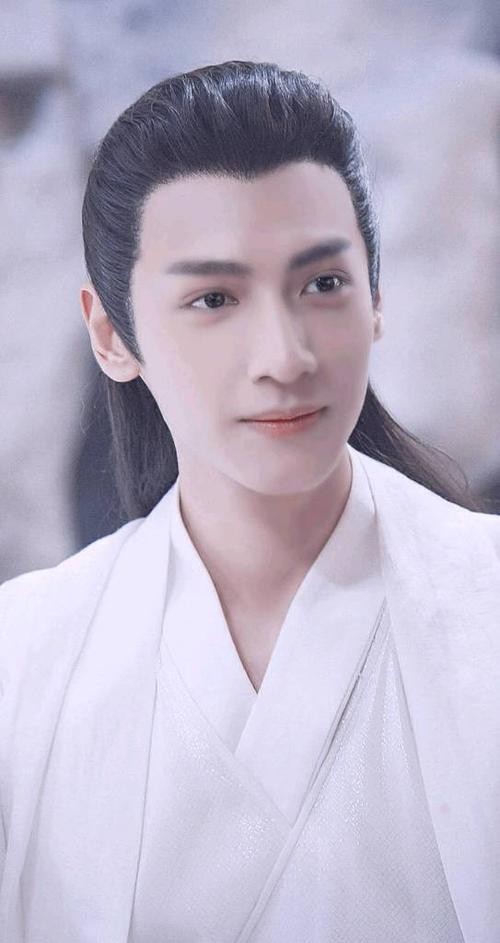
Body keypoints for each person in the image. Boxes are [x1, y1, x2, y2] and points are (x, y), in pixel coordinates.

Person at [0, 60, 498, 943]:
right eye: (214, 298)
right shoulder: (24, 657)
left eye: (322, 284)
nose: (285, 355)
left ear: (377, 297)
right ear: (111, 334)